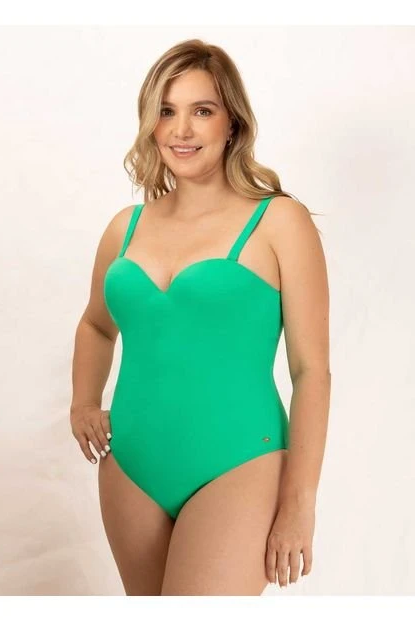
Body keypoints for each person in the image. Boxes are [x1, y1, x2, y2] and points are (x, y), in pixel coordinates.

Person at [70, 38, 331, 596]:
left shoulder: (279, 221)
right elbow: (96, 324)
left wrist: (299, 504)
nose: (181, 130)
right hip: (131, 468)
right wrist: (83, 401)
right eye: (166, 111)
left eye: (202, 111)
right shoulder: (124, 227)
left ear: (232, 122)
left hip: (240, 463)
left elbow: (311, 371)